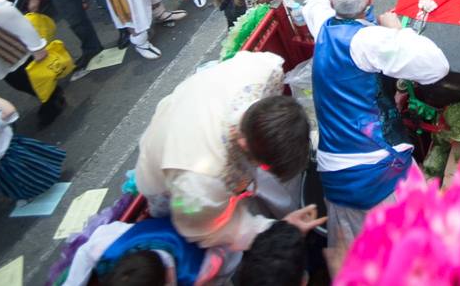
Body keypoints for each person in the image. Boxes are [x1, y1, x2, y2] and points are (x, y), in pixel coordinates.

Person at [304, 0, 449, 265]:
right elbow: (437, 66)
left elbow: (312, 4)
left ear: (333, 3)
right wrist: (397, 30)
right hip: (377, 169)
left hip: (333, 172)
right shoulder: (367, 40)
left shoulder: (322, 27)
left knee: (354, 259)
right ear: (369, 1)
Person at [135, 51, 321, 249]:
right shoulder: (201, 182)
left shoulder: (263, 72)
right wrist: (275, 229)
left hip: (190, 116)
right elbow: (206, 229)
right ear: (245, 148)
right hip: (165, 178)